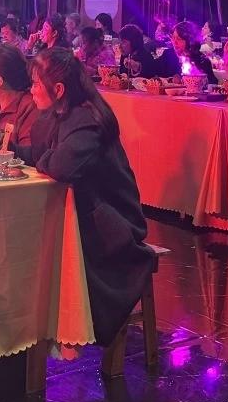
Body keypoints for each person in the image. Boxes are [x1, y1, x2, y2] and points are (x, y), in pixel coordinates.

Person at [17, 47, 154, 345]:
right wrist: (11, 152)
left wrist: (43, 158)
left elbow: (61, 165)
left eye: (37, 84)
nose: (32, 90)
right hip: (86, 211)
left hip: (111, 223)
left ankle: (44, 327)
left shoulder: (86, 118)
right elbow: (43, 155)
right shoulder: (60, 113)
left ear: (59, 89)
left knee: (31, 253)